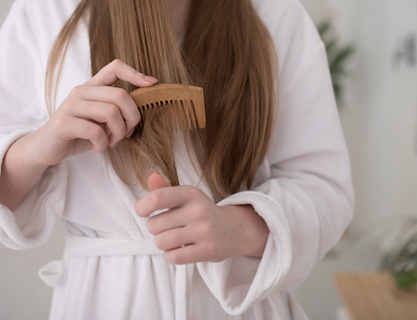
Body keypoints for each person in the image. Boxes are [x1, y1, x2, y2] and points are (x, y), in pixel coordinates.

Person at [0, 0, 354, 319]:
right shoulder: (44, 12)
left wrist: (238, 227)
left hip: (238, 307)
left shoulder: (277, 16)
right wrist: (35, 148)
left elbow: (325, 188)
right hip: (103, 302)